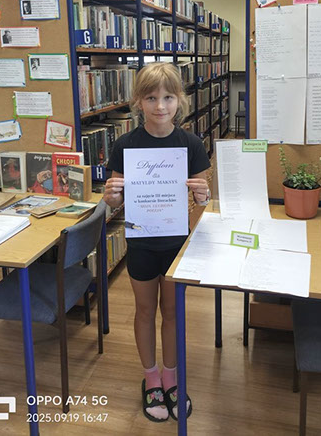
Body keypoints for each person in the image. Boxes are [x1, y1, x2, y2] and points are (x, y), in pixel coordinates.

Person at [103, 62, 210, 423]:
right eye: (151, 98)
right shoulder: (126, 145)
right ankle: (151, 378)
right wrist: (111, 196)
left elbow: (201, 202)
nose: (160, 106)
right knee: (145, 311)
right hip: (143, 244)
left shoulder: (190, 144)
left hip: (177, 244)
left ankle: (171, 376)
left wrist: (204, 195)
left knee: (173, 313)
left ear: (180, 100)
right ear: (138, 101)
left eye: (168, 97)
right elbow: (116, 201)